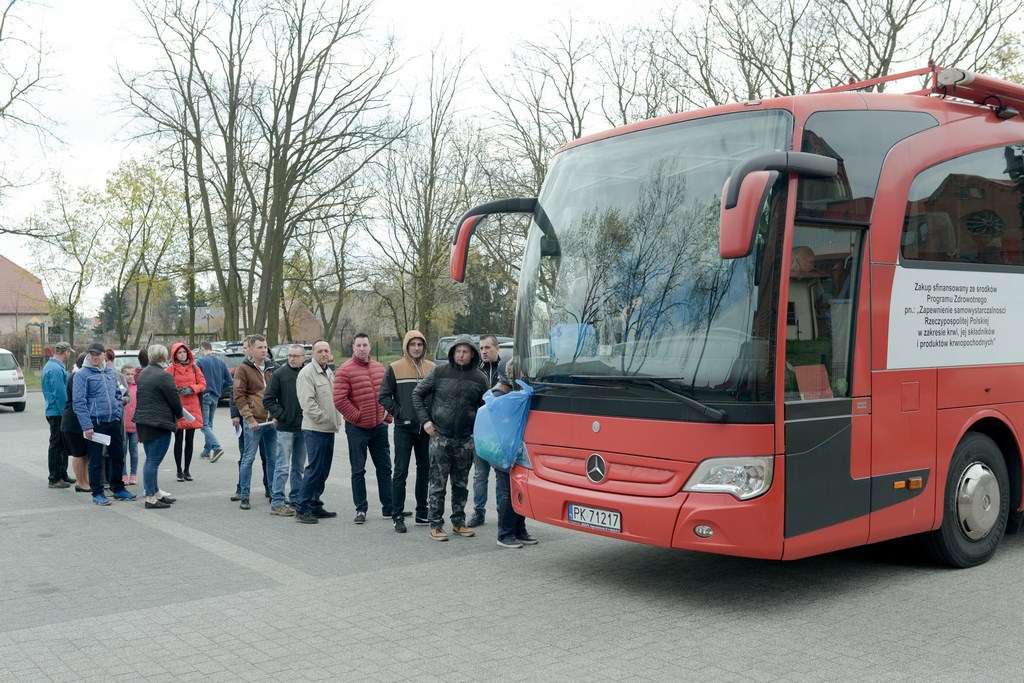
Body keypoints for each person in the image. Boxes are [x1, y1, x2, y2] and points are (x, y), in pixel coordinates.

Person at [412, 334, 488, 541]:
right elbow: (417, 394)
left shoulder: (480, 378)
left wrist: (477, 431)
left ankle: (458, 522)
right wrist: (426, 421)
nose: (461, 355)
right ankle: (435, 523)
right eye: (457, 351)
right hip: (440, 437)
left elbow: (485, 408)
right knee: (437, 484)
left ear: (472, 353)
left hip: (465, 440)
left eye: (465, 351)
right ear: (452, 352)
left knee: (461, 485)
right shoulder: (439, 372)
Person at [334, 332, 393, 525]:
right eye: (358, 345)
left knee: (385, 469)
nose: (362, 348)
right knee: (358, 470)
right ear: (353, 347)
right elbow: (340, 400)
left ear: (369, 346)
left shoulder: (379, 368)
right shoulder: (344, 370)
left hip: (379, 428)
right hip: (357, 429)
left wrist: (388, 416)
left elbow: (388, 394)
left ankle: (389, 508)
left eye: (365, 345)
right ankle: (361, 509)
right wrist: (357, 417)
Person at [378, 330, 434, 533]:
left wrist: (432, 418)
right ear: (406, 347)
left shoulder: (432, 368)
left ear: (424, 347)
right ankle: (397, 515)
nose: (417, 348)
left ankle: (421, 513)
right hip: (404, 429)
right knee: (400, 472)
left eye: (420, 344)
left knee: (425, 471)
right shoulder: (395, 368)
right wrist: (400, 413)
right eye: (413, 345)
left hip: (426, 430)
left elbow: (436, 397)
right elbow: (384, 396)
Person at [72, 342, 137, 505]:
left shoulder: (110, 372)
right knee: (95, 459)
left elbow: (117, 393)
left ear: (103, 356)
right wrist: (86, 425)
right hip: (95, 422)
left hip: (113, 421)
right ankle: (97, 492)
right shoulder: (82, 375)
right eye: (91, 354)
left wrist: (117, 412)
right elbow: (78, 403)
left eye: (97, 354)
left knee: (118, 456)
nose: (94, 357)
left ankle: (118, 489)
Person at [489, 365, 539, 549]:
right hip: (504, 452)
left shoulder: (516, 393)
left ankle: (519, 529)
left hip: (516, 450)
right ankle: (504, 534)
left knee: (520, 490)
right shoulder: (499, 395)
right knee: (507, 493)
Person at [294, 340, 343, 524]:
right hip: (315, 428)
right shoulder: (307, 373)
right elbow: (307, 402)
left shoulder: (328, 372)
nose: (324, 354)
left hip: (328, 428)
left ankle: (315, 504)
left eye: (326, 351)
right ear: (312, 353)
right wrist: (324, 418)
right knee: (314, 469)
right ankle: (302, 508)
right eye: (320, 351)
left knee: (323, 469)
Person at [134, 344, 182, 509]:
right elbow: (174, 400)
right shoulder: (164, 375)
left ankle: (155, 492)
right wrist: (180, 415)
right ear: (164, 357)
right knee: (153, 461)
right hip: (159, 423)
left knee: (150, 459)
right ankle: (150, 497)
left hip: (143, 421)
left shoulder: (143, 373)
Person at [468, 334, 509, 527]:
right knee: (480, 474)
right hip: (481, 432)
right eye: (481, 348)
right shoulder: (476, 372)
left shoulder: (507, 371)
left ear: (497, 348)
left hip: (501, 433)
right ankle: (478, 512)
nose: (483, 351)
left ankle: (503, 512)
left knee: (502, 475)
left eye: (487, 348)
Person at [234, 334, 277, 510]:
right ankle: (245, 495)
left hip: (271, 423)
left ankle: (275, 493)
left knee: (272, 459)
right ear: (251, 349)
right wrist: (249, 419)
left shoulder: (273, 367)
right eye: (260, 347)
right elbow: (238, 396)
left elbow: (278, 393)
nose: (264, 350)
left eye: (265, 347)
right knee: (248, 459)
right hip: (253, 423)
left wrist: (277, 415)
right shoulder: (243, 369)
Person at [263, 344, 306, 516]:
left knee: (298, 467)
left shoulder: (307, 373)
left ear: (304, 358)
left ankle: (295, 498)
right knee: (282, 466)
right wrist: (283, 415)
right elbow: (268, 399)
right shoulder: (279, 374)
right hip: (285, 429)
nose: (292, 358)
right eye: (290, 355)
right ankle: (278, 501)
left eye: (296, 356)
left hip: (304, 428)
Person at [167, 342, 206, 482]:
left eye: (184, 352)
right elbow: (165, 385)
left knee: (190, 440)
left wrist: (191, 388)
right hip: (179, 407)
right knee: (178, 440)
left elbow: (203, 384)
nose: (182, 354)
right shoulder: (170, 369)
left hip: (193, 407)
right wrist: (176, 390)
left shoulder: (195, 368)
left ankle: (187, 470)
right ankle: (178, 470)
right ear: (175, 355)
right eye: (179, 352)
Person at [42, 341, 75, 489]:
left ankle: (62, 474)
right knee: (56, 445)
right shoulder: (55, 369)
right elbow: (60, 394)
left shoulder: (53, 366)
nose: (69, 355)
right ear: (65, 352)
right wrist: (66, 413)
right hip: (57, 412)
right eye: (69, 352)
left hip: (55, 411)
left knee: (61, 444)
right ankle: (54, 477)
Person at [195, 341, 231, 462]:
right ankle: (206, 451)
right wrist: (220, 388)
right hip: (216, 396)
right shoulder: (221, 362)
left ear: (202, 348)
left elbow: (195, 379)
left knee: (203, 425)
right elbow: (230, 381)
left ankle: (216, 447)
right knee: (209, 424)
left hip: (205, 395)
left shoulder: (200, 362)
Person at [61, 353, 91, 493]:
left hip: (79, 421)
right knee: (78, 453)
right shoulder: (76, 377)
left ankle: (85, 480)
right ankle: (80, 481)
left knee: (84, 453)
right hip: (73, 422)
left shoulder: (79, 375)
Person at [121, 364, 139, 485]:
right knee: (123, 452)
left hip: (135, 427)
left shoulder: (137, 388)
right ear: (122, 374)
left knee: (134, 451)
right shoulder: (121, 389)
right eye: (127, 374)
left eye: (132, 374)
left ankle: (133, 474)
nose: (130, 376)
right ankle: (123, 474)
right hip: (122, 426)